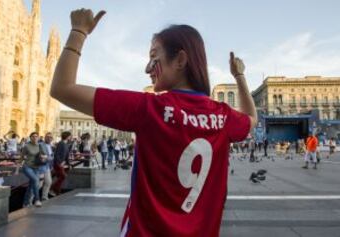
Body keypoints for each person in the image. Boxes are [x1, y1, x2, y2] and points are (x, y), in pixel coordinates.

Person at [50, 8, 257, 237]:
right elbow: (252, 119)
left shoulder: (149, 109)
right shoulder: (224, 117)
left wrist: (78, 31)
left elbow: (62, 88)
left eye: (153, 56)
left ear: (180, 60)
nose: (148, 68)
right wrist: (239, 76)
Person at [21, 132, 45, 207]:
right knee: (35, 180)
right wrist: (17, 169)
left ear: (38, 138)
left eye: (36, 136)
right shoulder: (26, 146)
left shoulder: (40, 146)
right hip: (27, 166)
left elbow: (45, 155)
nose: (35, 138)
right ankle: (37, 200)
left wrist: (44, 157)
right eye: (33, 136)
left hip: (36, 167)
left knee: (31, 185)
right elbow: (22, 157)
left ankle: (25, 203)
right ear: (30, 137)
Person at [50, 131, 72, 195]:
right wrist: (60, 163)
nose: (71, 137)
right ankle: (52, 188)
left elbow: (67, 155)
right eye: (70, 136)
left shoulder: (66, 144)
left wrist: (68, 164)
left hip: (62, 164)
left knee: (61, 177)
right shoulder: (61, 143)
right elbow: (56, 154)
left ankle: (57, 191)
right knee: (63, 176)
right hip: (58, 163)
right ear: (67, 136)